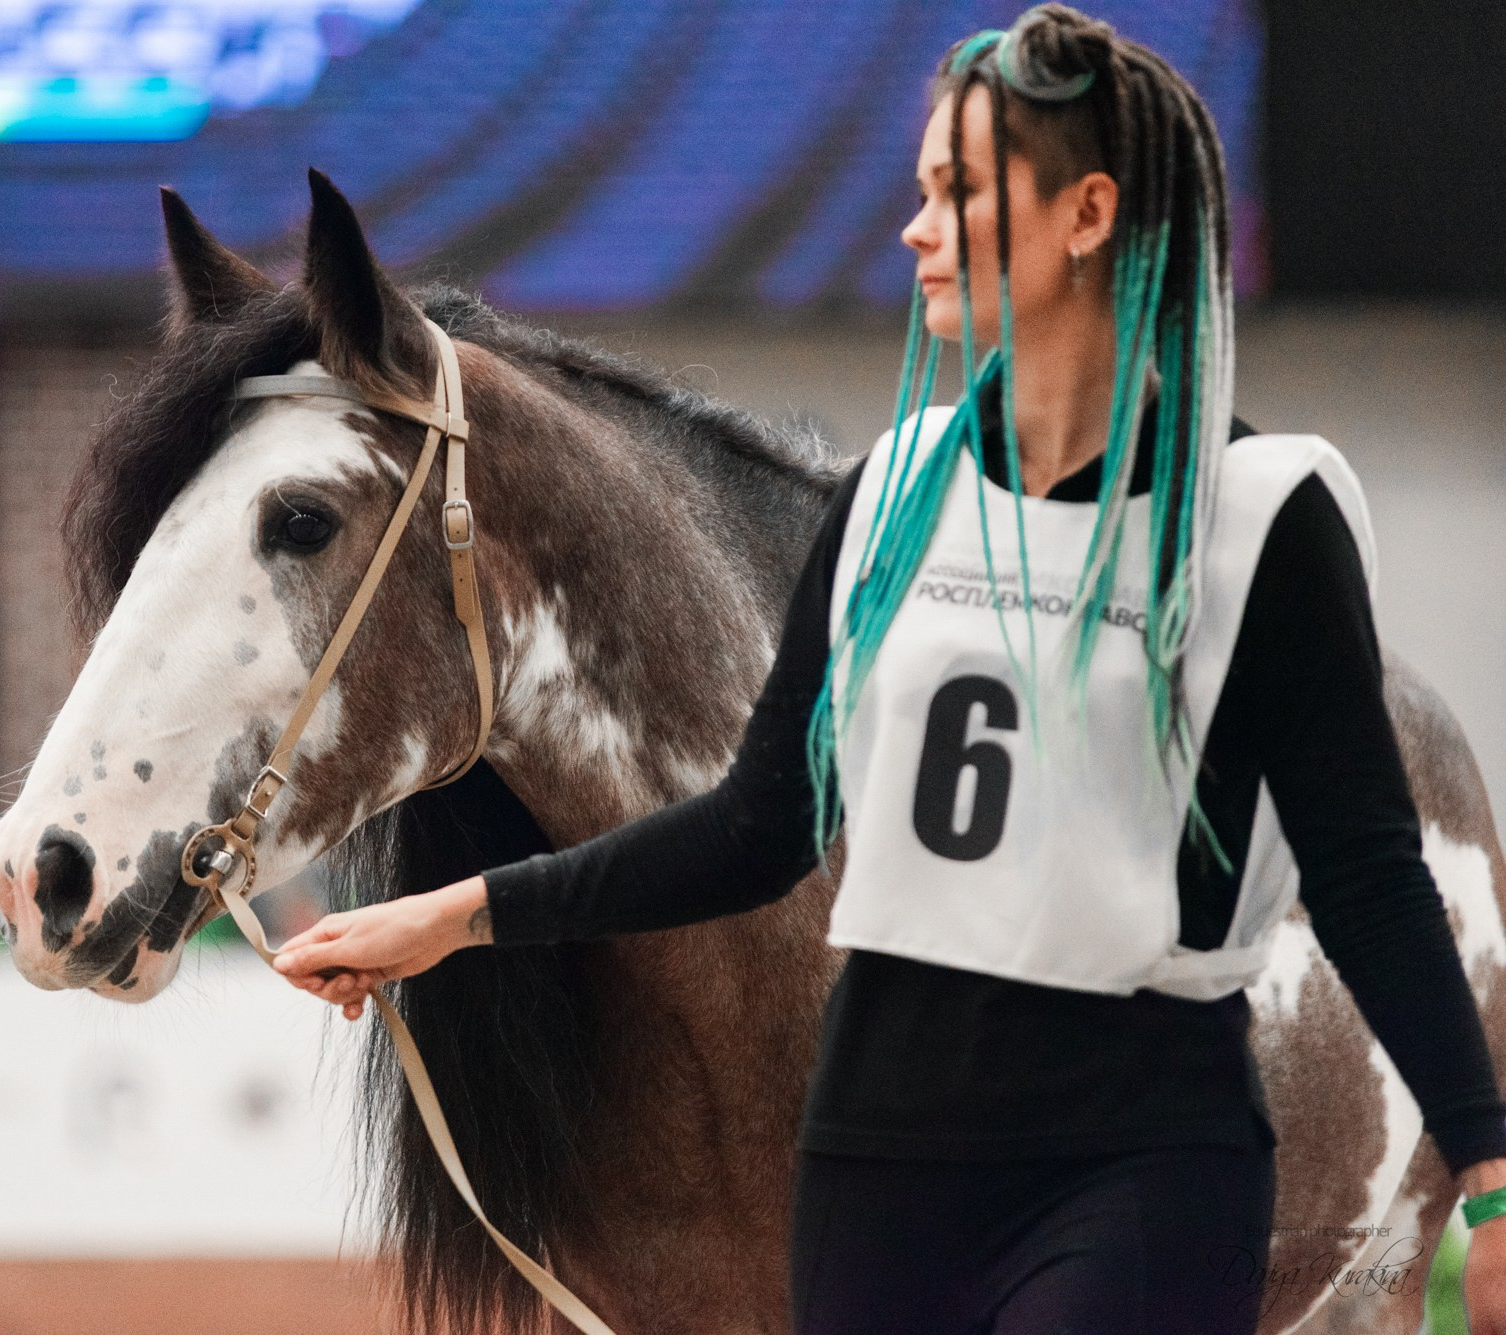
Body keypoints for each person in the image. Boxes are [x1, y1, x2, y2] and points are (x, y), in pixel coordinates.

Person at [270, 7, 1506, 1333]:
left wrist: (1490, 1171)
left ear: (1089, 213)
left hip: (1144, 1152)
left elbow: (1372, 871)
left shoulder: (1260, 518)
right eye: (921, 190)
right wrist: (445, 917)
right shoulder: (893, 496)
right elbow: (759, 826)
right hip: (880, 1159)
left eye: (958, 192)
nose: (916, 228)